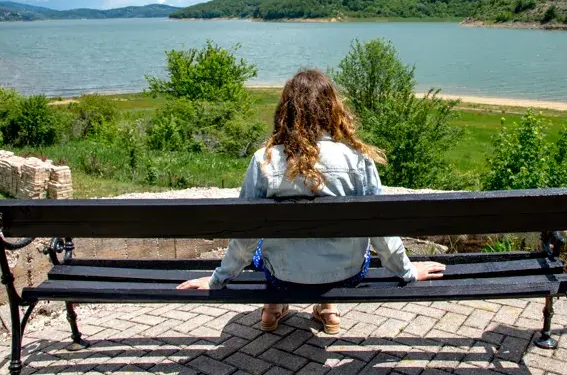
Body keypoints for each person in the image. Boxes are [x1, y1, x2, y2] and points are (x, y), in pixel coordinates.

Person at [177, 69, 445, 334]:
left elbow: (246, 235)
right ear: (333, 109)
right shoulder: (357, 159)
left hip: (283, 277)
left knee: (263, 248)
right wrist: (407, 271)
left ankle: (272, 306)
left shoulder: (264, 160)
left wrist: (218, 280)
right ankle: (328, 309)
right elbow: (380, 230)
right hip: (346, 275)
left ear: (286, 112)